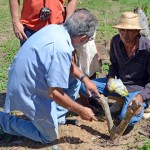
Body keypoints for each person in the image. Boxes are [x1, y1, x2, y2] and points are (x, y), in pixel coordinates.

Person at [0, 9, 100, 144]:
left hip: (30, 78)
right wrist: (81, 110)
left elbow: (68, 64)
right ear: (82, 38)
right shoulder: (61, 48)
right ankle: (4, 121)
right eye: (88, 39)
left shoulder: (57, 29)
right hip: (28, 90)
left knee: (75, 81)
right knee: (48, 137)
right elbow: (55, 94)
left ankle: (54, 118)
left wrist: (85, 79)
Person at [80, 12, 150, 126]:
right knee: (84, 87)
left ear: (137, 32)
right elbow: (114, 65)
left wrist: (141, 97)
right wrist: (111, 78)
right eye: (122, 30)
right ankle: (122, 99)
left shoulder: (147, 49)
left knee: (126, 119)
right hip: (120, 85)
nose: (125, 34)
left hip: (138, 89)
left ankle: (145, 102)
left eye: (130, 31)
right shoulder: (116, 41)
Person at [9, 0, 77, 45]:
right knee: (30, 64)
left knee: (55, 64)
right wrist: (16, 22)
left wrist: (67, 24)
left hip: (57, 28)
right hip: (29, 29)